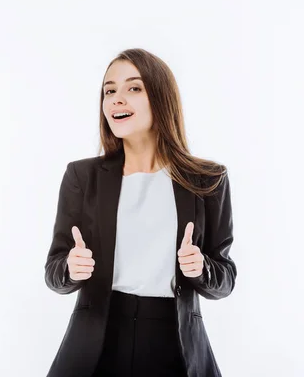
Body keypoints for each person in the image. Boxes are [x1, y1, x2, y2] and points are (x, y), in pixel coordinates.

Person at [44, 48, 237, 377]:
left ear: (161, 98)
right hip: (98, 341)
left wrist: (200, 267)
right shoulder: (82, 177)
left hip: (173, 342)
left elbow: (226, 277)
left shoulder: (208, 180)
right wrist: (71, 270)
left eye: (133, 88)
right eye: (109, 90)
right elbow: (54, 271)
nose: (117, 99)